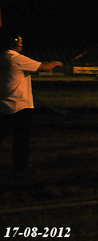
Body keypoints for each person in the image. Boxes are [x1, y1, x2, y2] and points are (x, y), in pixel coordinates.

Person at [0, 32, 62, 177]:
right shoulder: (17, 59)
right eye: (19, 42)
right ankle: (20, 168)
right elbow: (45, 67)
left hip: (3, 105)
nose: (21, 44)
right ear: (13, 43)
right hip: (20, 106)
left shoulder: (2, 57)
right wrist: (56, 63)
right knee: (21, 141)